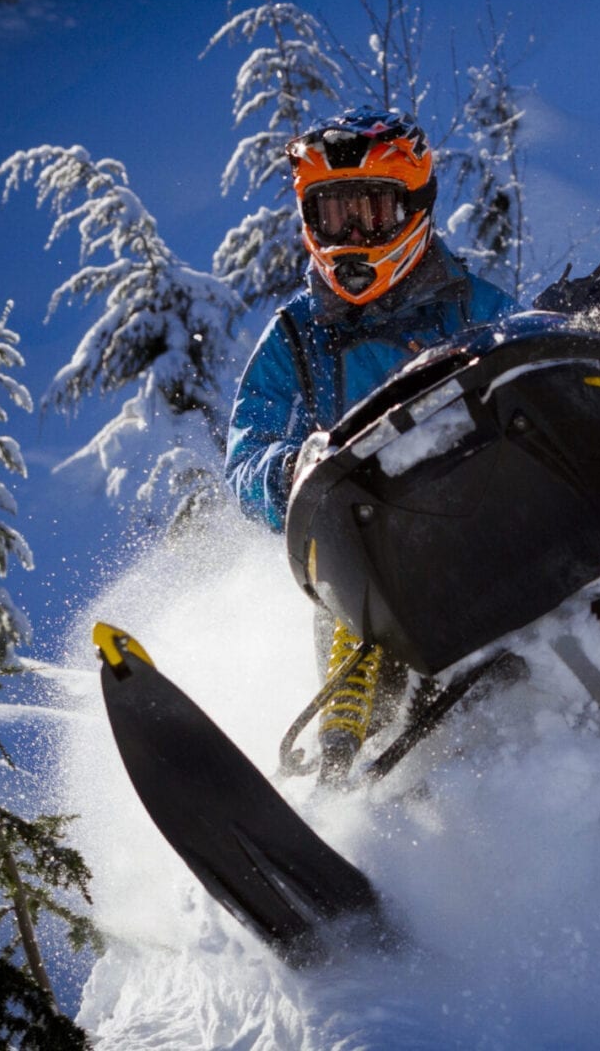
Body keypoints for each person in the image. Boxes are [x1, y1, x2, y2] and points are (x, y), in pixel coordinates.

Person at [226, 107, 519, 779]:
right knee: (329, 524)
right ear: (308, 221)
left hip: (496, 522)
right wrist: (285, 471)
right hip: (379, 563)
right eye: (334, 217)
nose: (354, 236)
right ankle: (342, 761)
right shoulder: (295, 339)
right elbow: (246, 453)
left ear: (414, 206)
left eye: (373, 213)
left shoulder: (478, 306)